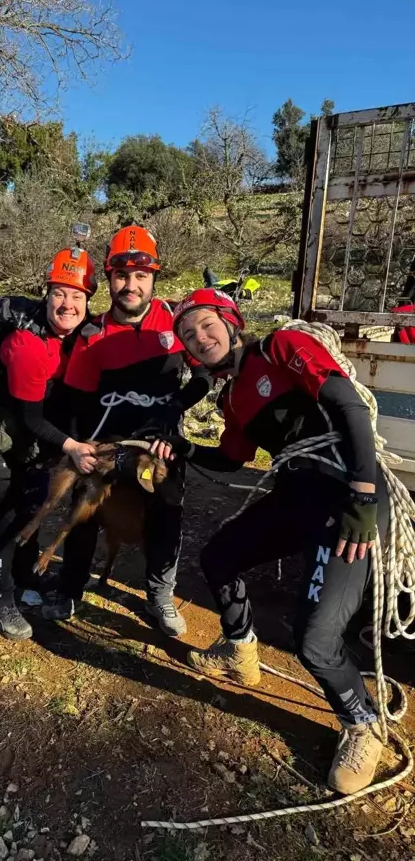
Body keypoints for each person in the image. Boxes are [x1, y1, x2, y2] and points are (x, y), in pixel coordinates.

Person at [150, 287, 389, 794]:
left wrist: (364, 495)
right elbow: (232, 459)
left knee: (315, 640)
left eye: (207, 325)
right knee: (218, 557)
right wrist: (183, 447)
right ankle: (240, 651)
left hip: (344, 497)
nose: (200, 338)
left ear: (231, 322)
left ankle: (364, 724)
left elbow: (348, 405)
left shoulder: (280, 347)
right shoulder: (232, 395)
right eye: (189, 336)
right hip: (296, 495)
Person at [43, 225, 212, 635]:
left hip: (159, 446)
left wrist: (175, 406)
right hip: (107, 444)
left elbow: (205, 373)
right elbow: (76, 403)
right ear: (109, 278)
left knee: (167, 512)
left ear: (154, 278)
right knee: (83, 509)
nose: (130, 285)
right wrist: (74, 449)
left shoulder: (176, 325)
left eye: (141, 276)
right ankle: (71, 587)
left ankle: (158, 595)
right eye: (121, 276)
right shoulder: (92, 335)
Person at [0, 247, 98, 641]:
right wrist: (73, 446)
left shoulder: (73, 337)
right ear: (46, 294)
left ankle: (23, 578)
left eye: (78, 296)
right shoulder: (27, 346)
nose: (68, 304)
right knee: (6, 515)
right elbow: (32, 418)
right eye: (59, 293)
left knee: (29, 509)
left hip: (28, 443)